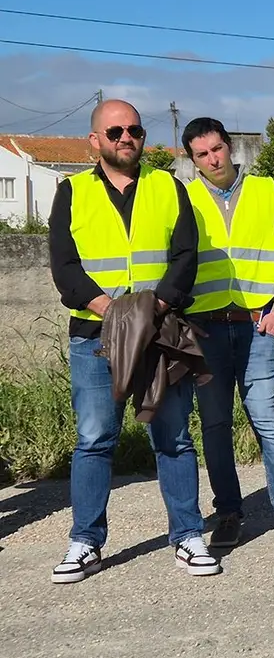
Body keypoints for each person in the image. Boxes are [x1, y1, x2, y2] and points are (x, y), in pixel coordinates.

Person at [46, 99, 220, 582]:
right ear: (95, 140)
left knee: (174, 438)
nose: (127, 138)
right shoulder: (72, 191)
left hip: (161, 335)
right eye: (116, 131)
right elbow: (65, 267)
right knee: (94, 440)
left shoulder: (168, 185)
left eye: (136, 130)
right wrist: (117, 313)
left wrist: (152, 310)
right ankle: (85, 541)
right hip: (94, 337)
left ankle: (187, 534)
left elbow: (186, 255)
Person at [180, 117, 274, 555]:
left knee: (267, 419)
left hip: (258, 325)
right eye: (202, 154)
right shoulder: (183, 198)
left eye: (218, 149)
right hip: (204, 328)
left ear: (230, 148)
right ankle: (229, 513)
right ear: (193, 159)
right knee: (216, 425)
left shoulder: (265, 190)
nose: (213, 159)